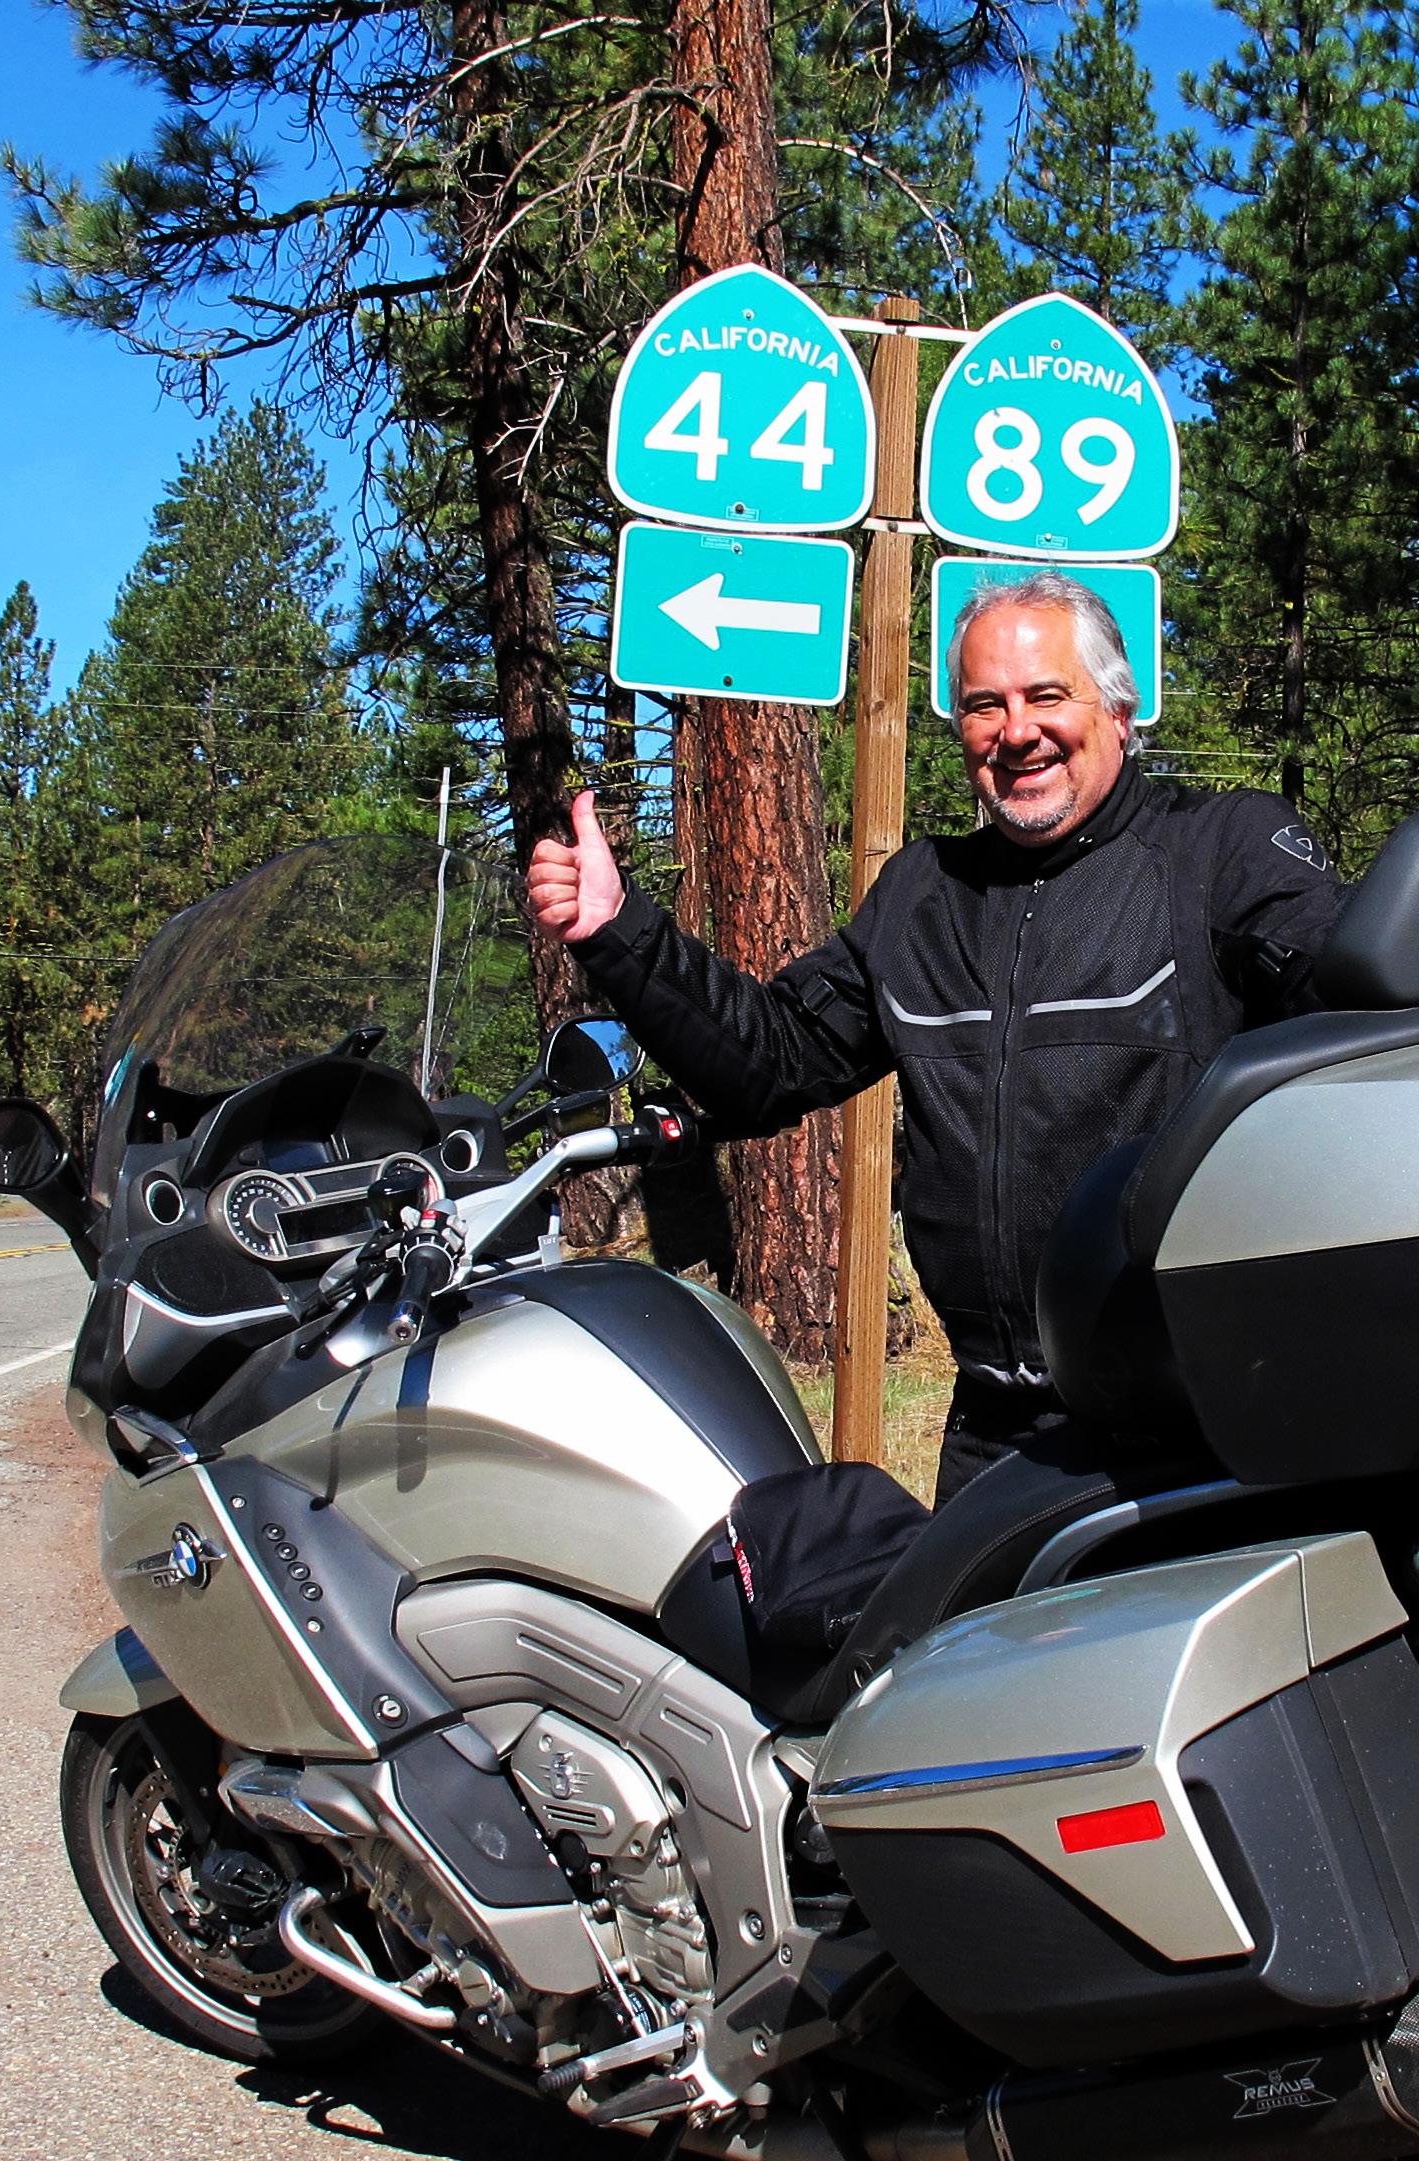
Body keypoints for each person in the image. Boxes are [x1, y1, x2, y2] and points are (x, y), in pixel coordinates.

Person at [524, 571, 1348, 1501]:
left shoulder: (1220, 853)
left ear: (1119, 711)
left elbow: (1353, 994)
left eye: (1046, 695)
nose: (1016, 731)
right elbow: (770, 1061)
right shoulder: (924, 896)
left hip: (1200, 1426)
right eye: (984, 705)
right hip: (998, 1435)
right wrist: (620, 931)